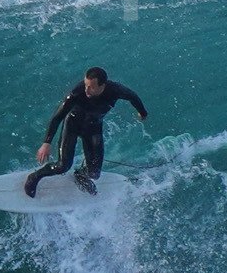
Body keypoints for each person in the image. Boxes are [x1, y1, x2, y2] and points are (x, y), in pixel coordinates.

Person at [26, 67, 149, 196]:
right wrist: (46, 143)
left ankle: (80, 175)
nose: (87, 90)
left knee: (94, 173)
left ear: (102, 86)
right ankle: (34, 177)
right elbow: (57, 117)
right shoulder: (76, 93)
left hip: (93, 128)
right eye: (85, 85)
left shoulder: (115, 90)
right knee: (63, 166)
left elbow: (133, 97)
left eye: (91, 87)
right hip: (72, 125)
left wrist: (142, 113)